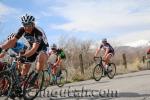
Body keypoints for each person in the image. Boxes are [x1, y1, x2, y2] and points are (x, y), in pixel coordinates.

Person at [0, 14, 49, 79]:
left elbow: (34, 49)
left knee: (41, 56)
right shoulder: (22, 30)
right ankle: (22, 84)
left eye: (29, 25)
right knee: (25, 67)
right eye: (25, 25)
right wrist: (1, 47)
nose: (27, 28)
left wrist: (23, 56)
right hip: (32, 47)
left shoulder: (38, 32)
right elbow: (12, 41)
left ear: (33, 24)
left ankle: (36, 74)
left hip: (43, 47)